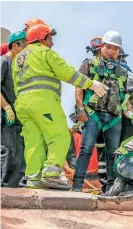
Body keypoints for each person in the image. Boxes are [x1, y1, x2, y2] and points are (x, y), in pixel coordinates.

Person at [12, 23, 107, 190]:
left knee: (34, 141)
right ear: (42, 38)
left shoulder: (18, 59)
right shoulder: (44, 52)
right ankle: (51, 175)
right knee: (61, 135)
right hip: (42, 100)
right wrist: (92, 84)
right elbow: (67, 72)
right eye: (50, 38)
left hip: (22, 104)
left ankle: (33, 179)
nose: (53, 42)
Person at [72, 31, 130, 193]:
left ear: (119, 51)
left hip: (114, 117)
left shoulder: (123, 71)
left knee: (113, 154)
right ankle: (77, 185)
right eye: (108, 47)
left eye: (115, 48)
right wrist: (80, 109)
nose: (111, 51)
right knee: (86, 149)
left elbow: (125, 97)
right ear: (102, 46)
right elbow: (79, 87)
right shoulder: (89, 64)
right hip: (92, 114)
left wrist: (129, 113)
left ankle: (111, 189)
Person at [1, 31, 26, 187]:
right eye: (25, 46)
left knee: (19, 154)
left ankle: (14, 188)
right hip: (6, 115)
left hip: (19, 116)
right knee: (8, 152)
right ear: (15, 46)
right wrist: (7, 107)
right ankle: (4, 190)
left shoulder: (19, 67)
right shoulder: (3, 62)